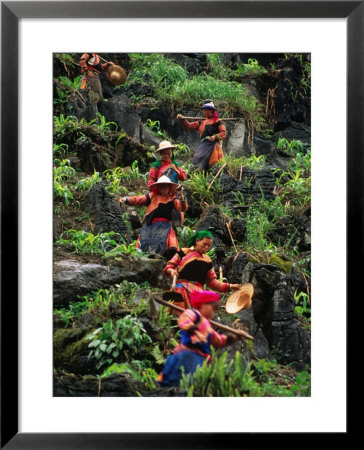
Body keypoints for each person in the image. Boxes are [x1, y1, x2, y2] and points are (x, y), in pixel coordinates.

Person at [156, 289, 238, 387]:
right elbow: (184, 320)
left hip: (201, 358)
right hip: (188, 354)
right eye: (213, 308)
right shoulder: (193, 313)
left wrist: (234, 337)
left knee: (194, 383)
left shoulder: (207, 326)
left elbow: (218, 340)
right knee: (179, 379)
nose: (214, 312)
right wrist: (193, 329)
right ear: (203, 305)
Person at [164, 230, 241, 311]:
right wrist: (171, 271)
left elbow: (212, 282)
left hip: (197, 292)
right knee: (179, 297)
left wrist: (230, 286)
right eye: (205, 244)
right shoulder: (183, 252)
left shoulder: (207, 261)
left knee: (212, 299)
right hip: (181, 288)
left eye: (209, 245)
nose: (207, 247)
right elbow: (170, 266)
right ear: (197, 241)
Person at [119, 175, 188, 259]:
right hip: (151, 225)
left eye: (165, 186)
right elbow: (138, 199)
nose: (163, 188)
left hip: (165, 225)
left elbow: (182, 208)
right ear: (158, 187)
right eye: (161, 186)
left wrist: (181, 195)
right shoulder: (152, 197)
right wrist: (126, 199)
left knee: (168, 244)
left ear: (169, 187)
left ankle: (165, 255)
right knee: (144, 239)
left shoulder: (173, 199)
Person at [177, 99, 227, 171]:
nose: (205, 112)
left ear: (211, 110)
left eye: (207, 110)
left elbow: (223, 133)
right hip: (203, 145)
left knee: (213, 163)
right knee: (196, 160)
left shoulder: (218, 121)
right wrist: (182, 119)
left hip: (213, 145)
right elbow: (189, 126)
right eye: (204, 110)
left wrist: (215, 136)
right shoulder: (201, 122)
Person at [148, 140, 187, 227]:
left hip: (173, 191)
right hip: (161, 191)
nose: (167, 155)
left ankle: (177, 226)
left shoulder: (175, 164)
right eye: (164, 154)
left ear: (171, 153)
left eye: (169, 153)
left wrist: (176, 170)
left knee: (178, 207)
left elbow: (183, 177)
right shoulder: (156, 165)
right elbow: (151, 180)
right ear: (161, 154)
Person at [79, 53, 114, 119]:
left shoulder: (96, 56)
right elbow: (82, 60)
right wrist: (87, 71)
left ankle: (95, 117)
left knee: (98, 96)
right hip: (90, 75)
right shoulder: (90, 53)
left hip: (95, 76)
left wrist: (107, 65)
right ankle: (93, 118)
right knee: (94, 96)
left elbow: (101, 67)